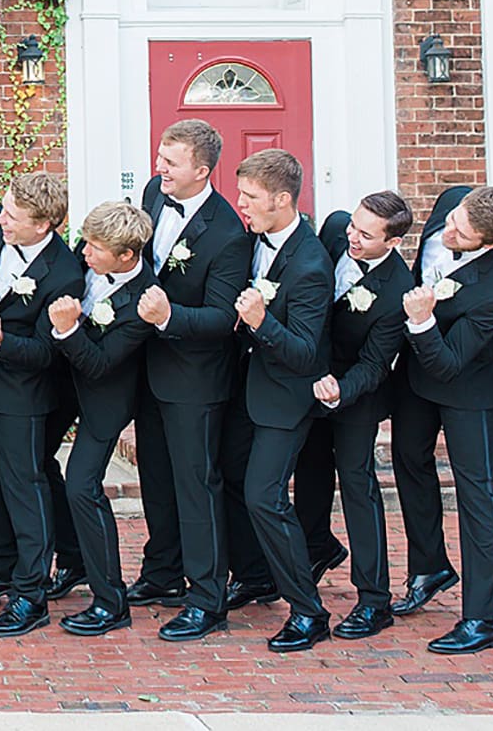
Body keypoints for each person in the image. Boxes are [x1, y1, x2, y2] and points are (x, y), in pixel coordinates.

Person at [130, 120, 251, 639]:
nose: (159, 167)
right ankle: (162, 572)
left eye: (170, 161)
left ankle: (207, 597)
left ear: (201, 171)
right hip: (147, 369)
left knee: (197, 486)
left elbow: (224, 319)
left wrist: (167, 318)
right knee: (156, 477)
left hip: (196, 379)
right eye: (159, 155)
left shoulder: (227, 234)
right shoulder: (153, 194)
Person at [392, 183, 493, 654]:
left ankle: (484, 619)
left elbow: (450, 363)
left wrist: (422, 321)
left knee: (477, 493)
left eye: (460, 232)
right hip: (414, 379)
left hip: (465, 384)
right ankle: (430, 565)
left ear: (489, 243)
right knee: (407, 457)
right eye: (452, 220)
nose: (448, 228)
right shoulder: (456, 202)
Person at [0, 172, 83, 637]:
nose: (1, 219)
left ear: (46, 224)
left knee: (23, 484)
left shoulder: (65, 274)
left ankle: (31, 594)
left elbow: (48, 353)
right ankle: (4, 566)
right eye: (4, 209)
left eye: (13, 216)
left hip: (24, 391)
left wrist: (0, 339)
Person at [295, 190, 412, 641]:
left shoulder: (397, 289)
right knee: (309, 471)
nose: (353, 237)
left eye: (366, 235)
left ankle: (374, 599)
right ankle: (316, 547)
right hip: (310, 377)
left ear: (393, 242)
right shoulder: (332, 231)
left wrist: (340, 391)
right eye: (353, 227)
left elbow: (377, 364)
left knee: (358, 486)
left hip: (356, 394)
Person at [230, 150, 334, 653]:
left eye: (250, 197)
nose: (241, 205)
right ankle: (257, 576)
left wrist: (260, 322)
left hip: (287, 399)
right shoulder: (257, 241)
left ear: (282, 199)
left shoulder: (311, 265)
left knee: (264, 496)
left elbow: (304, 352)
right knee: (235, 481)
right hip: (249, 390)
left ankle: (309, 611)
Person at [45, 201, 154, 636]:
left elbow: (101, 365)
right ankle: (71, 560)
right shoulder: (86, 255)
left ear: (125, 256)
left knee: (82, 486)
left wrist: (68, 328)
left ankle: (111, 600)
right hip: (61, 385)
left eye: (94, 248)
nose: (83, 252)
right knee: (33, 459)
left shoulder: (141, 302)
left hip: (105, 398)